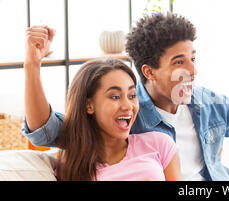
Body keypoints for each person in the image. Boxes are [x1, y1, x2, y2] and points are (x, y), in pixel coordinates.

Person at [22, 12, 229, 181]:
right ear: (150, 71)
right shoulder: (126, 115)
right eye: (180, 62)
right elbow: (45, 129)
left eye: (193, 58)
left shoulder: (203, 102)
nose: (193, 70)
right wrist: (33, 64)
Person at [24, 26, 181, 181]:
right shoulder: (73, 168)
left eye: (132, 95)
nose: (128, 106)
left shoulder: (160, 143)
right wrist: (32, 64)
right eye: (114, 97)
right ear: (89, 105)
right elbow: (42, 128)